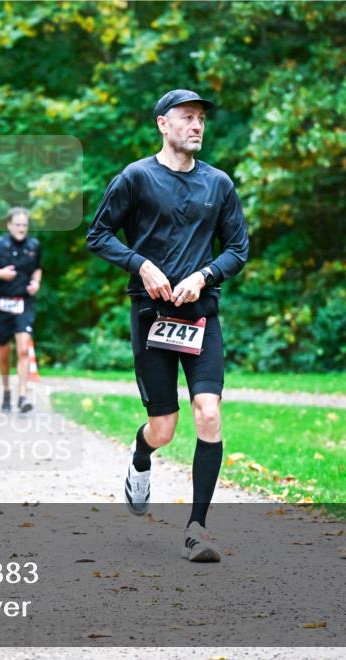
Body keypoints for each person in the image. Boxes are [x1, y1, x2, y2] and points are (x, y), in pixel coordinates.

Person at [86, 89, 249, 563]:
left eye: (201, 119)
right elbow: (98, 235)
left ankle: (197, 529)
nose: (197, 126)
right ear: (163, 123)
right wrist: (140, 264)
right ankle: (141, 457)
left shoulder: (218, 183)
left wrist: (204, 276)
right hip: (151, 317)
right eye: (187, 117)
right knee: (164, 428)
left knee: (209, 413)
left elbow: (237, 249)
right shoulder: (136, 177)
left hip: (201, 316)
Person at [0, 207, 42, 413]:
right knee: (4, 352)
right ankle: (6, 390)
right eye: (17, 225)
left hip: (24, 303)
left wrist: (36, 283)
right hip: (1, 304)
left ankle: (22, 396)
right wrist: (1, 274)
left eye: (24, 225)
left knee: (23, 349)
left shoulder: (34, 245)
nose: (21, 228)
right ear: (9, 225)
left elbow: (37, 268)